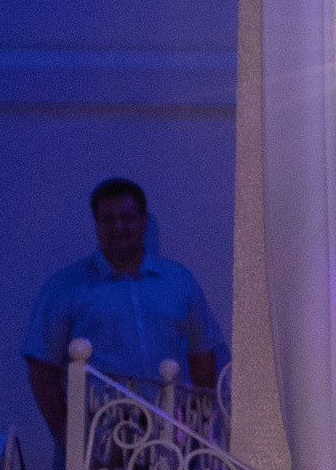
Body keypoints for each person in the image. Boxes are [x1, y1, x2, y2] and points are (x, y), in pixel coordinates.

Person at [23, 178, 225, 439]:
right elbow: (41, 367)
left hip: (168, 440)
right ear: (96, 225)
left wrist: (200, 428)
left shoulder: (178, 282)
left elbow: (203, 355)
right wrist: (67, 436)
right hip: (98, 444)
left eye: (127, 217)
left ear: (143, 221)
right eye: (108, 220)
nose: (118, 226)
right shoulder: (65, 288)